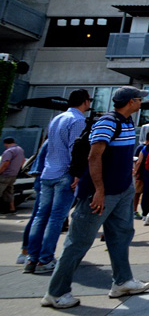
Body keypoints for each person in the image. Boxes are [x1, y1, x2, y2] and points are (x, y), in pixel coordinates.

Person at [42, 86, 149, 309]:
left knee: (121, 236)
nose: (142, 102)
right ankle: (56, 292)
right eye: (139, 99)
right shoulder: (108, 122)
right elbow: (94, 157)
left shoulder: (127, 122)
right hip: (102, 193)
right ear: (131, 102)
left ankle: (122, 281)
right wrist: (99, 191)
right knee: (79, 241)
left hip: (122, 190)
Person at [24, 89, 91, 274]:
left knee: (40, 216)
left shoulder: (57, 118)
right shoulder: (78, 121)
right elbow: (75, 149)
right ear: (85, 102)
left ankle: (32, 258)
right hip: (65, 174)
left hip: (48, 172)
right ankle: (45, 259)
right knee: (56, 218)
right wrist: (77, 174)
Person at [18, 139, 49, 264]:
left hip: (41, 179)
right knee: (42, 218)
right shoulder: (54, 142)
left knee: (38, 217)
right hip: (48, 180)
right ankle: (33, 255)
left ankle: (26, 253)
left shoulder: (47, 142)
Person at [0, 137, 25, 214]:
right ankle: (12, 208)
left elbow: (5, 163)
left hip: (5, 175)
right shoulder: (20, 150)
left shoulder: (9, 151)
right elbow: (23, 160)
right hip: (13, 175)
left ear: (5, 143)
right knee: (9, 192)